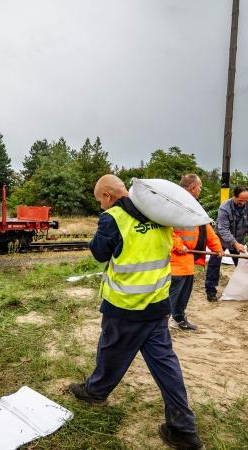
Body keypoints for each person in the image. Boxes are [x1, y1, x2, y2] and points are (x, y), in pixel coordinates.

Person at [68, 174, 204, 450]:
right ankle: (182, 428)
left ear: (108, 196)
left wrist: (101, 230)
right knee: (166, 365)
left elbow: (99, 254)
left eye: (99, 201)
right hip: (157, 305)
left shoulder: (113, 218)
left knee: (110, 352)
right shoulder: (160, 213)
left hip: (125, 307)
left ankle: (95, 392)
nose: (100, 207)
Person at [168, 174, 223, 330]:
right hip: (175, 259)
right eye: (200, 187)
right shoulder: (174, 205)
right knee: (173, 294)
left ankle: (179, 319)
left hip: (188, 260)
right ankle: (162, 325)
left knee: (184, 294)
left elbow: (205, 228)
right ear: (192, 187)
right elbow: (165, 231)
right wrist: (179, 246)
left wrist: (217, 248)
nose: (200, 190)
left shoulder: (194, 206)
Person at [205, 185, 248, 301]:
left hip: (239, 241)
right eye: (240, 200)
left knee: (246, 266)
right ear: (234, 196)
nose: (242, 203)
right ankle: (211, 291)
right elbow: (223, 229)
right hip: (220, 240)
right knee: (214, 265)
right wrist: (234, 243)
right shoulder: (224, 207)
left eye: (245, 200)